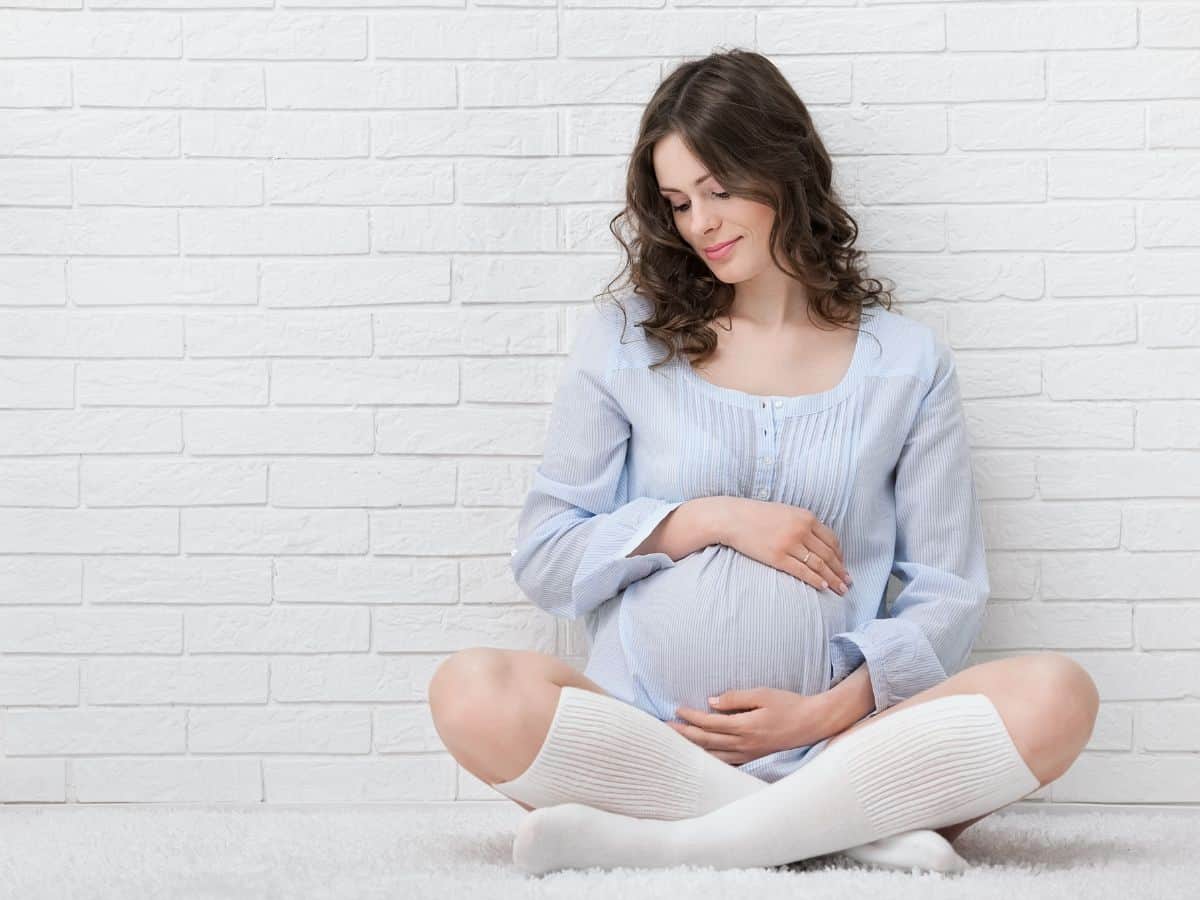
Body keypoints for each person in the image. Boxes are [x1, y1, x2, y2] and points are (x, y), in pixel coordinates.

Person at [429, 48, 1099, 876]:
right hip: (651, 738)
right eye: (678, 201)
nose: (699, 223)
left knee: (1057, 695)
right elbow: (546, 556)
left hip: (841, 744)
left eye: (717, 189)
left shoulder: (907, 364)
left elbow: (948, 591)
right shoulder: (625, 341)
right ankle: (832, 834)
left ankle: (680, 838)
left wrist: (824, 714)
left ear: (784, 170)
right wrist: (706, 519)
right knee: (470, 690)